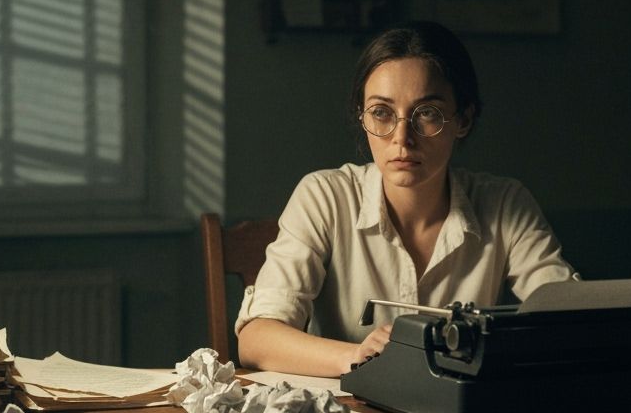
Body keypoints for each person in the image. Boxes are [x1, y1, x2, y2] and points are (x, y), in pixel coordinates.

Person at [236, 21, 577, 377]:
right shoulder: (325, 196)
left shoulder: (506, 203)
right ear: (362, 116)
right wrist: (359, 354)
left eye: (426, 113)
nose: (402, 138)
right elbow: (257, 339)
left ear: (464, 118)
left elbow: (570, 322)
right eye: (381, 112)